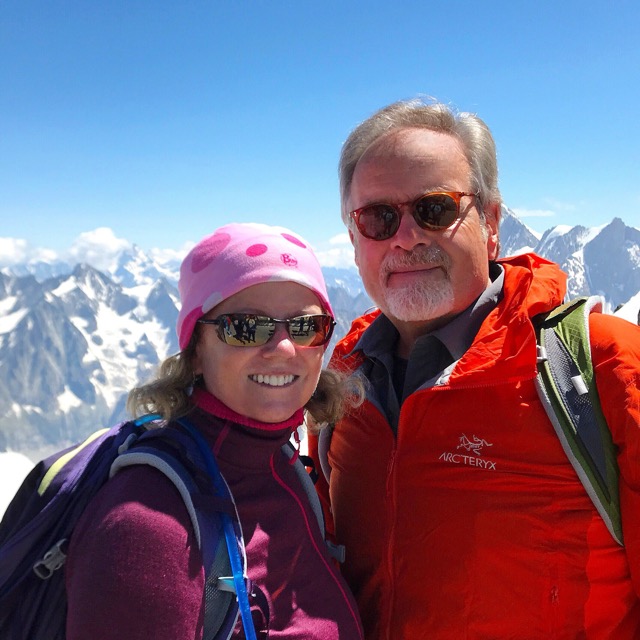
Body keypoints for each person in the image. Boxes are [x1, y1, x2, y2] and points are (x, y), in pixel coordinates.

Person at [308, 98, 640, 639]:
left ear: (490, 223)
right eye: (377, 218)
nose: (406, 236)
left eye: (435, 209)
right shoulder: (341, 382)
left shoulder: (604, 368)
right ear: (353, 238)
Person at [65, 222, 364, 640]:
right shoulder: (149, 524)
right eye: (245, 327)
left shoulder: (285, 467)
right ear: (196, 352)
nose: (282, 348)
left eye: (304, 327)